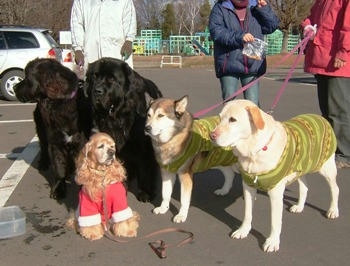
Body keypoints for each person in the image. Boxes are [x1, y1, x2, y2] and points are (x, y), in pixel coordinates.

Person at [302, 0, 350, 168]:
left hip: (338, 62)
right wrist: (308, 26)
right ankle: (330, 149)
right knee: (327, 110)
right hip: (321, 59)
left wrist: (344, 52)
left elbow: (348, 25)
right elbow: (312, 17)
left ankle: (345, 154)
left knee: (339, 110)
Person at [209, 0, 279, 105]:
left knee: (253, 106)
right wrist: (240, 37)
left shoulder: (255, 5)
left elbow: (271, 26)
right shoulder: (220, 7)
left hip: (252, 63)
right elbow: (217, 32)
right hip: (228, 63)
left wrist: (264, 9)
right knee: (230, 105)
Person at [70, 0, 137, 70]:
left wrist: (129, 41)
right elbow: (76, 24)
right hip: (92, 54)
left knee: (118, 78)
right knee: (92, 78)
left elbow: (130, 20)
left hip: (117, 53)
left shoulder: (125, 1)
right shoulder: (81, 1)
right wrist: (78, 49)